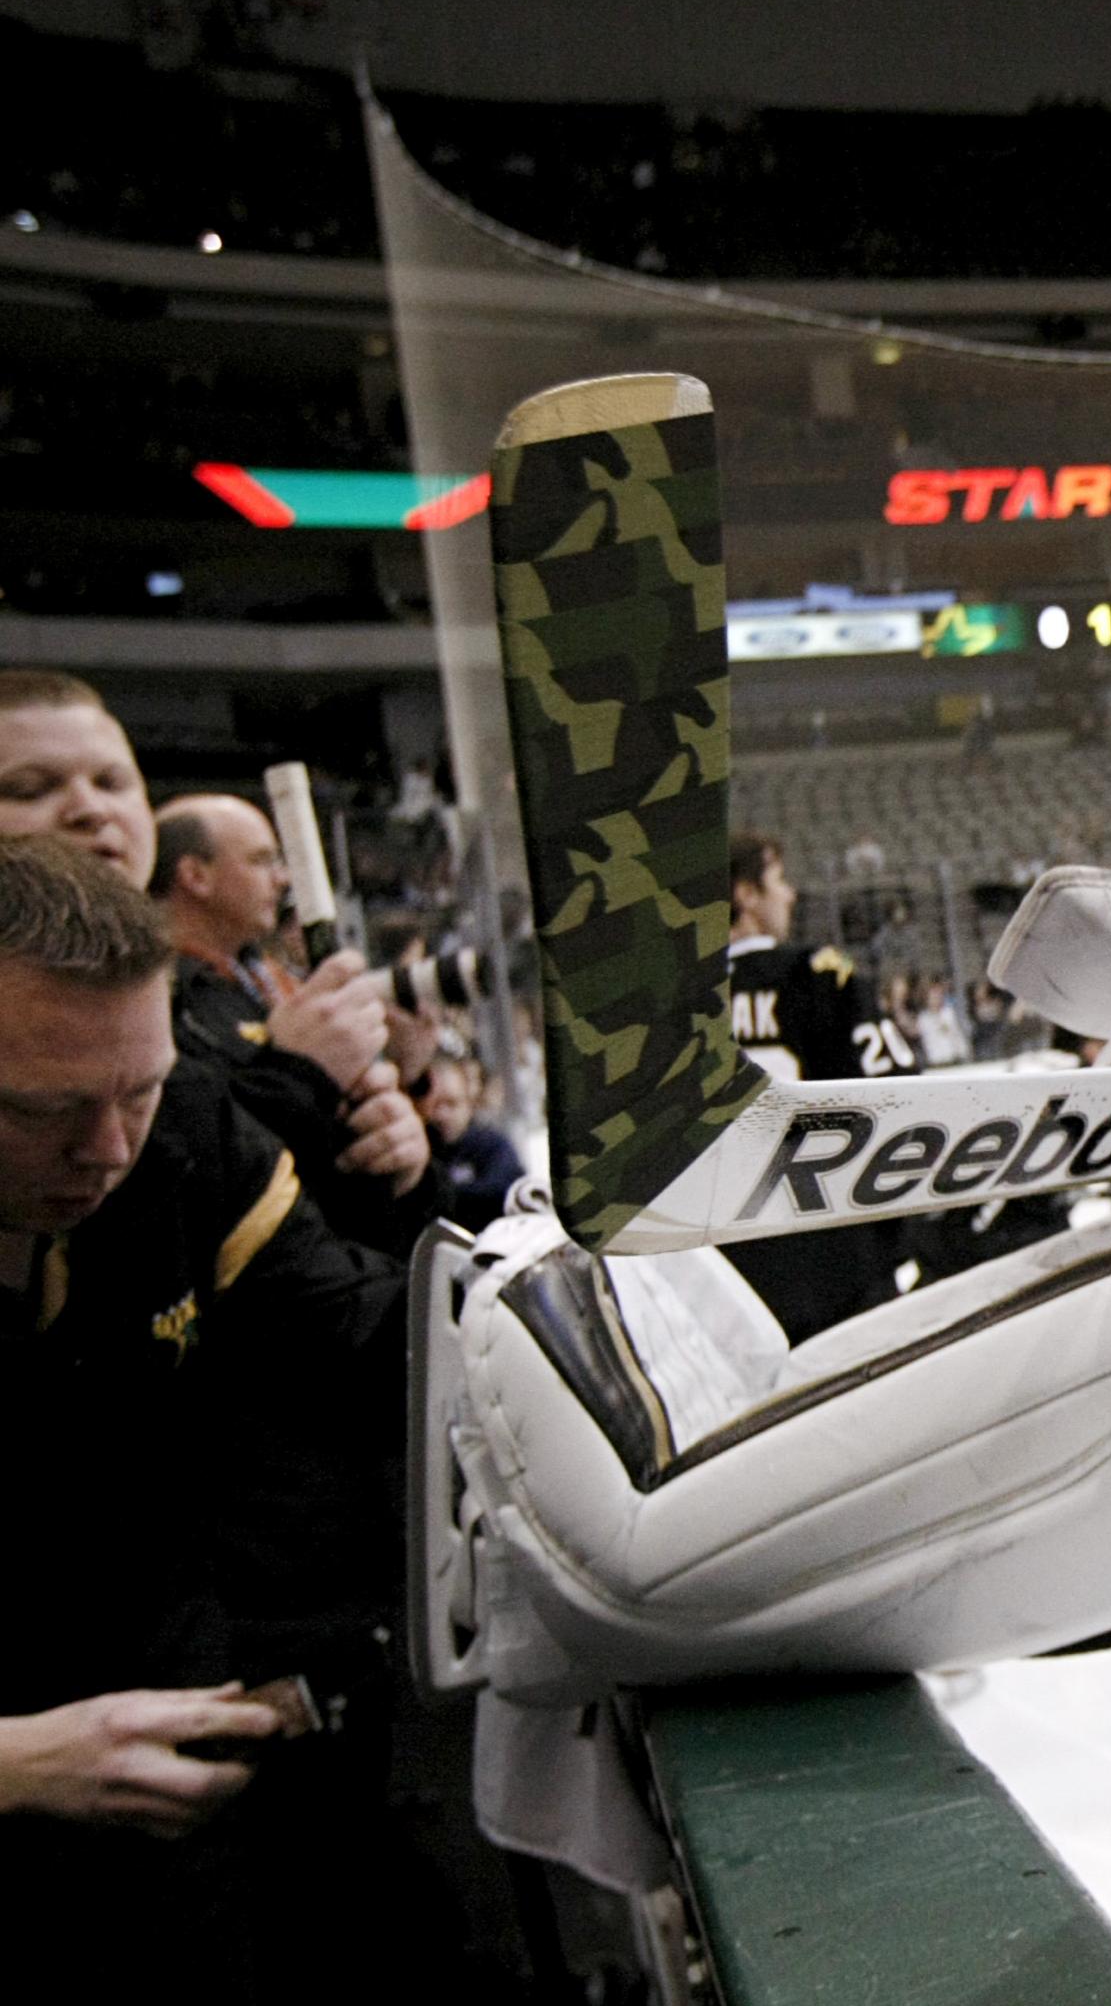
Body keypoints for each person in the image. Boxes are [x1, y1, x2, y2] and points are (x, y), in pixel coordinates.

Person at [0, 834, 419, 1987]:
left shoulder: (184, 1122)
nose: (109, 1150)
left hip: (167, 1772)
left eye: (134, 1091)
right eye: (41, 1111)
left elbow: (354, 1324)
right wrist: (15, 1763)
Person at [0, 672, 441, 1255]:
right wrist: (295, 1079)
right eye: (29, 789)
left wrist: (392, 1167)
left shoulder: (215, 996)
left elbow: (323, 1290)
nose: (90, 809)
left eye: (113, 782)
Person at [148, 789, 444, 1252]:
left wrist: (405, 1133)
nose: (284, 878)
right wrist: (294, 1073)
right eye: (262, 860)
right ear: (195, 875)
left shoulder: (272, 983)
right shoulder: (161, 1006)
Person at [719, 829, 918, 1338]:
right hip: (840, 1261)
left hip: (734, 1282)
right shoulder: (819, 973)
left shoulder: (680, 1007)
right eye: (778, 880)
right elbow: (904, 1094)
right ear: (746, 895)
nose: (790, 894)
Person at [420, 1045, 524, 1229]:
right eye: (435, 1105)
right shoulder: (420, 1152)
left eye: (451, 1104)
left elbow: (500, 1193)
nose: (442, 1115)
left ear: (468, 1104)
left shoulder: (492, 1146)